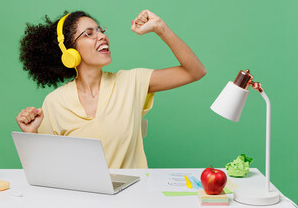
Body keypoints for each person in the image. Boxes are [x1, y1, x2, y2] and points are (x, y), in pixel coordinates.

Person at [16, 10, 206, 169]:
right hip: (81, 200)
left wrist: (161, 28)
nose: (102, 36)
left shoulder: (131, 81)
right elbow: (46, 169)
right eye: (89, 33)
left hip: (131, 200)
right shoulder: (55, 102)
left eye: (100, 30)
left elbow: (195, 71)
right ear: (69, 51)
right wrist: (31, 133)